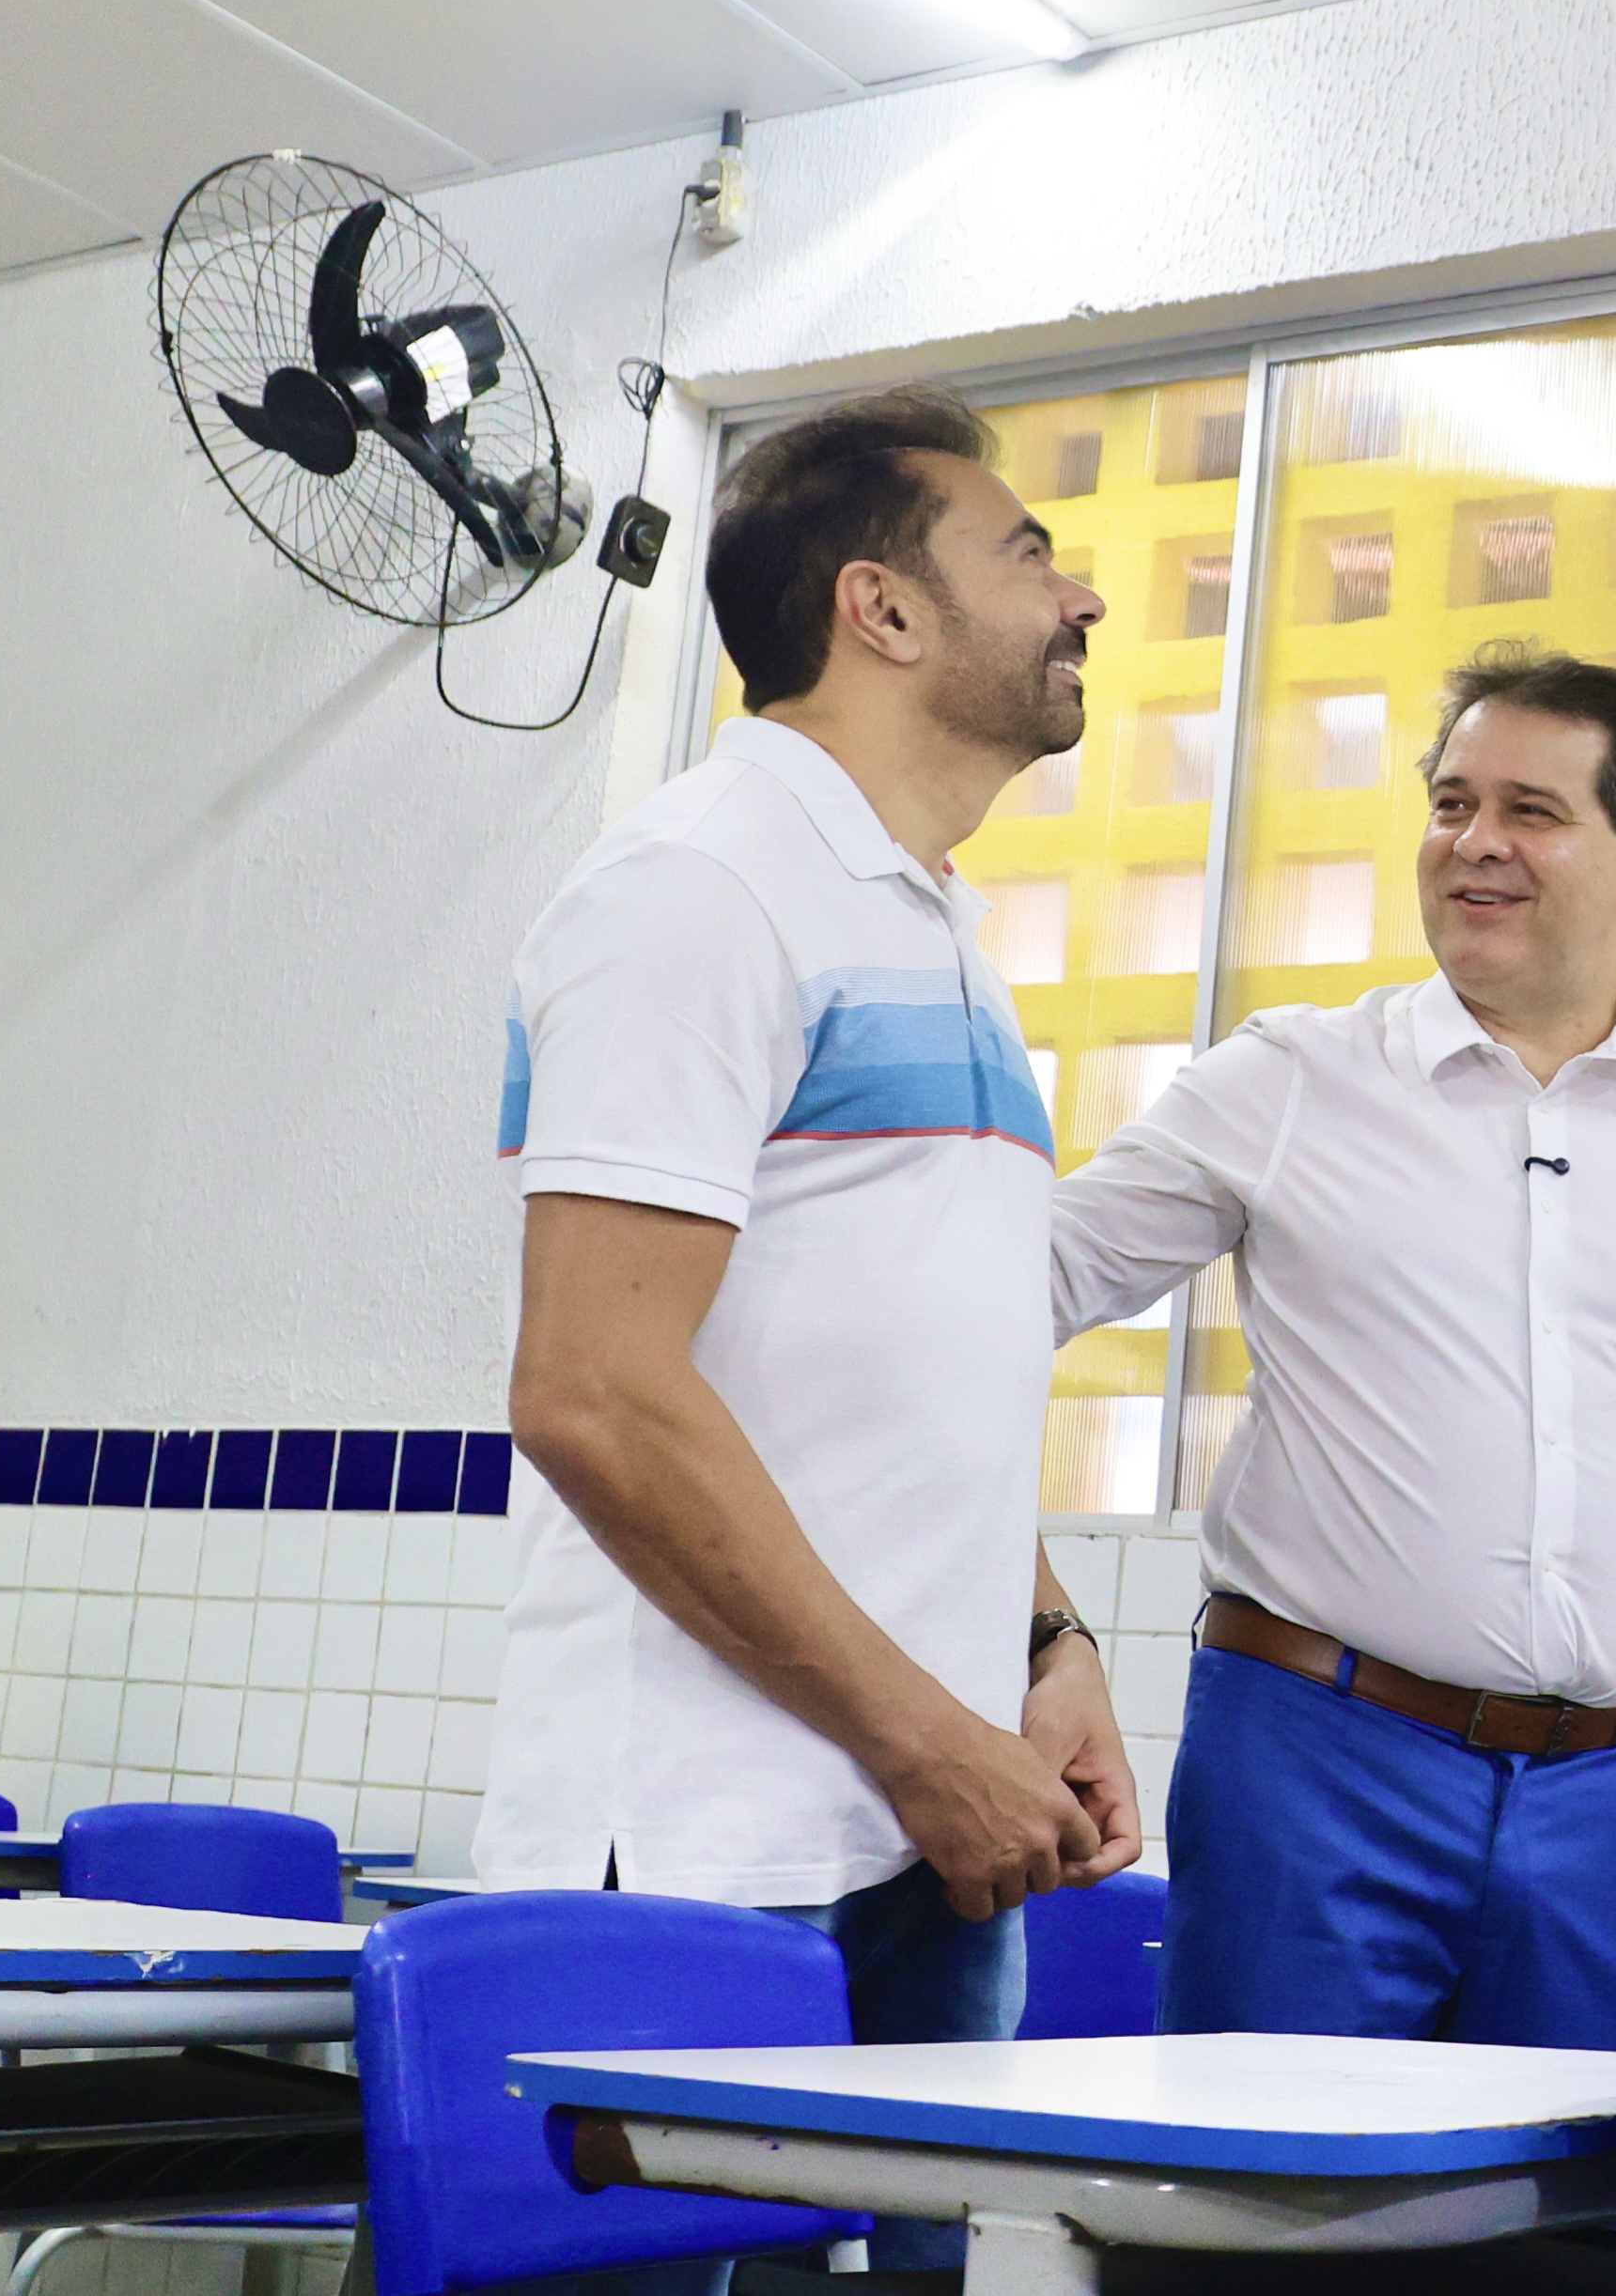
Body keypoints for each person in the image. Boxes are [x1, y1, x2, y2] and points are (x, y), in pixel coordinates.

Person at [1048, 641, 1616, 2048]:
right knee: (1272, 2215)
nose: (1472, 845)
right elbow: (1000, 1297)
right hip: (1315, 1761)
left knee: (1561, 2229)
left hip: (1613, 1797)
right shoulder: (1293, 1080)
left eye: (1531, 812)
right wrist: (1033, 1625)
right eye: (1450, 805)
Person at [486, 387, 1135, 2220]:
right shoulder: (697, 886)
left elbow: (899, 1368)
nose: (1077, 596)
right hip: (706, 1845)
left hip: (921, 1831)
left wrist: (1038, 1648)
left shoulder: (931, 932)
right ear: (885, 609)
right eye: (1028, 552)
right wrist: (928, 1740)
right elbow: (594, 1390)